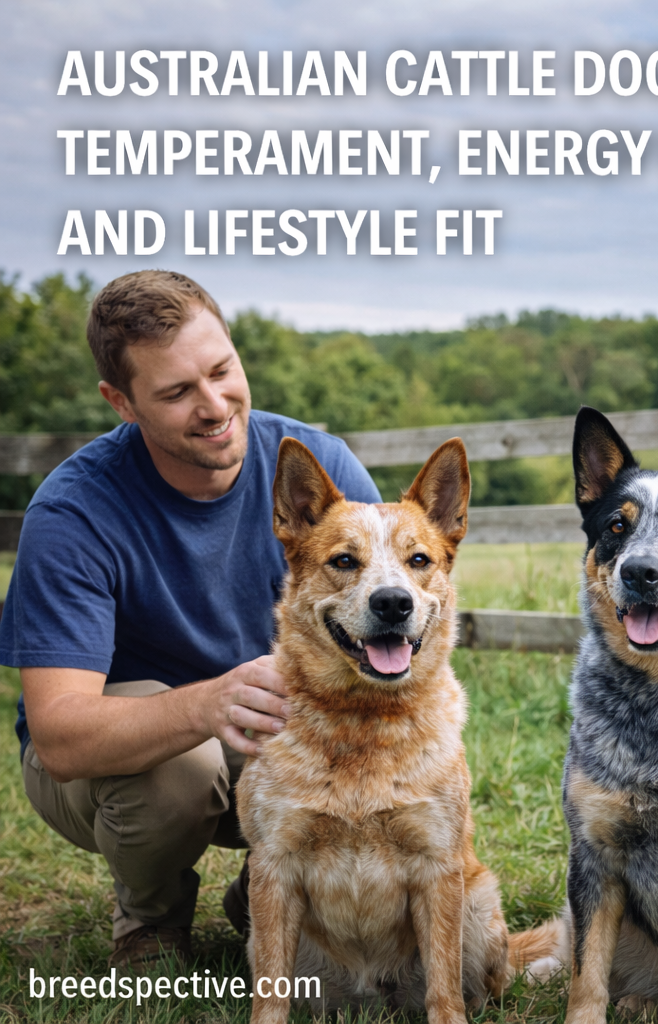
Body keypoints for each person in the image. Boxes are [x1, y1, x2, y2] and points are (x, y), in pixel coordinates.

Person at [0, 270, 382, 965]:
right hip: (112, 766)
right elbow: (60, 739)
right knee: (180, 769)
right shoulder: (73, 512)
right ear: (121, 402)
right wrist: (209, 703)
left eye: (221, 370)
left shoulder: (318, 468)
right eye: (176, 392)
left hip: (270, 727)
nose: (213, 406)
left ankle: (269, 888)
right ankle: (151, 919)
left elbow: (388, 630)